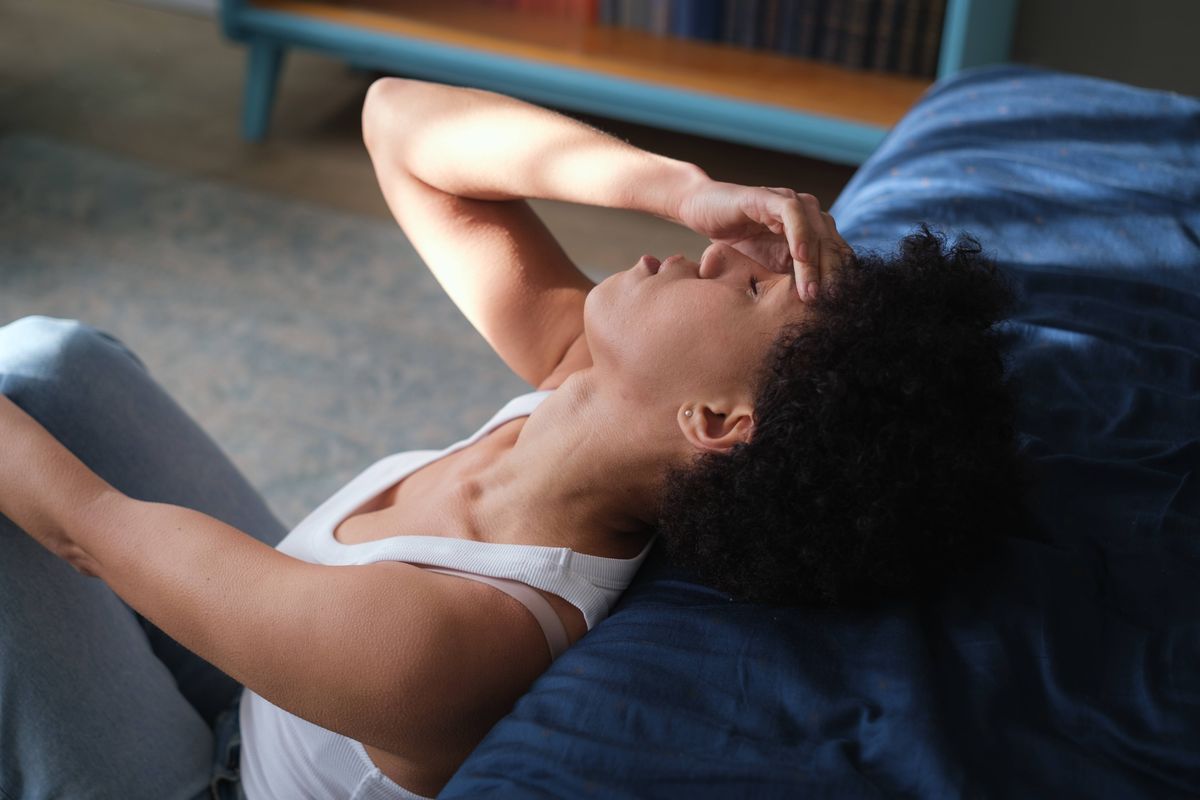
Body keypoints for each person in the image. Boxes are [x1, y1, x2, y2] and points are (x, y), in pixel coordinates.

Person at [0, 78, 1032, 800]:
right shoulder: (583, 386)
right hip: (277, 658)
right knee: (49, 363)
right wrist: (678, 183)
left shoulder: (449, 634)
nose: (720, 252)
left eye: (754, 289)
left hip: (218, 779)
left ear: (715, 420)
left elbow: (86, 529)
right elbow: (397, 121)